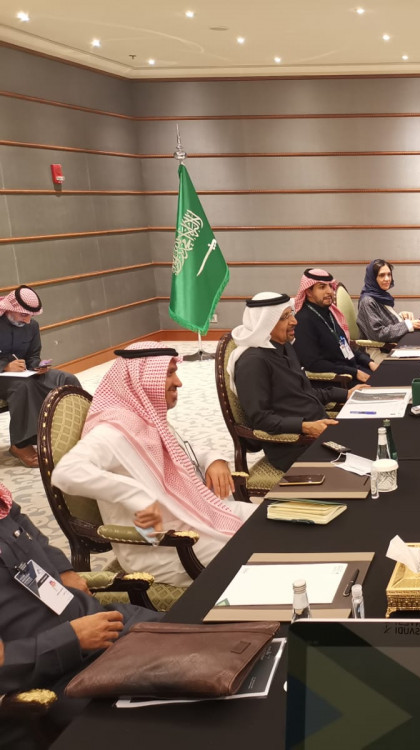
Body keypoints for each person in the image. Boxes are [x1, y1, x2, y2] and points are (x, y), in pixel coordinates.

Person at [52, 343, 254, 587]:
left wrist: (213, 459)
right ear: (142, 380)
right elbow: (66, 473)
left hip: (193, 515)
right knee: (258, 550)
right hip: (161, 546)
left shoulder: (145, 418)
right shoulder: (113, 431)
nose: (178, 383)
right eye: (169, 374)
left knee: (269, 520)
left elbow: (176, 452)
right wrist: (136, 496)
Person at [0, 485, 161, 746]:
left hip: (95, 622)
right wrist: (72, 638)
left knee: (194, 645)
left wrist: (63, 570)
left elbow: (20, 522)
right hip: (51, 679)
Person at [230, 292, 361, 472]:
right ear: (265, 323)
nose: (294, 321)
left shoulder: (285, 347)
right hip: (293, 445)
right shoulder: (253, 362)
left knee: (373, 435)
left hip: (319, 430)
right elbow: (261, 420)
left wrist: (346, 394)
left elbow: (304, 392)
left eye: (291, 314)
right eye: (285, 317)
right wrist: (305, 427)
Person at [0, 286, 81, 467]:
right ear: (10, 309)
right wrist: (5, 366)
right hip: (4, 377)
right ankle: (20, 444)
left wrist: (37, 366)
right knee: (23, 386)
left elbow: (33, 355)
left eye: (31, 316)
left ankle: (72, 431)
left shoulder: (32, 326)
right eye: (23, 315)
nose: (27, 320)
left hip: (23, 373)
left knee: (66, 379)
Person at [291, 268, 378, 384]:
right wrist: (354, 372)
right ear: (308, 292)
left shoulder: (329, 313)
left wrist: (368, 362)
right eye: (322, 287)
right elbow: (314, 363)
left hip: (352, 370)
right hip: (337, 381)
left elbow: (344, 347)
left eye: (330, 286)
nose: (329, 291)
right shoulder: (303, 320)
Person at [356, 259, 420, 343]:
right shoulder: (367, 301)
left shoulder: (380, 296)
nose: (387, 279)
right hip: (382, 349)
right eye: (382, 275)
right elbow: (378, 334)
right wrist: (408, 324)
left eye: (389, 274)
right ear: (373, 278)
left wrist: (400, 317)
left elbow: (384, 322)